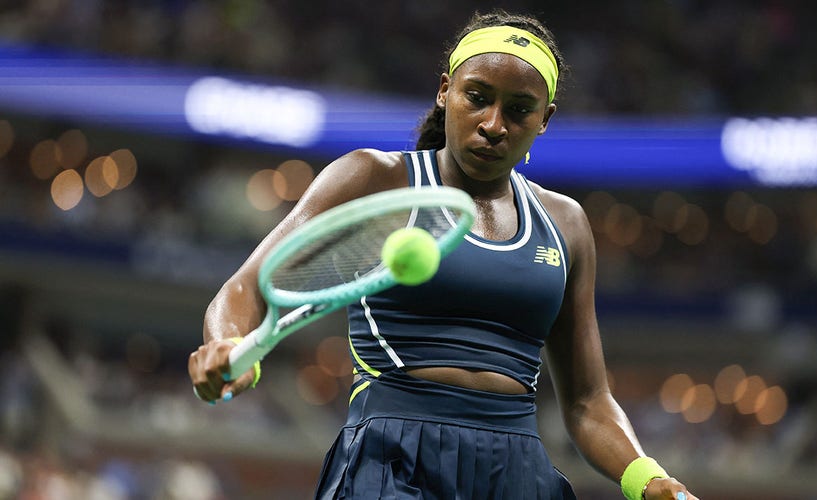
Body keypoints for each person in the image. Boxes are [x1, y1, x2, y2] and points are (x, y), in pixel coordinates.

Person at [188, 9, 698, 500]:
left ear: (545, 120)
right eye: (477, 97)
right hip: (391, 460)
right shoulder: (373, 179)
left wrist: (648, 479)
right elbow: (248, 287)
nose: (493, 124)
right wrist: (227, 347)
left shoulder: (566, 223)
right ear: (444, 91)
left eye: (519, 109)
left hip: (518, 471)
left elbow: (588, 402)